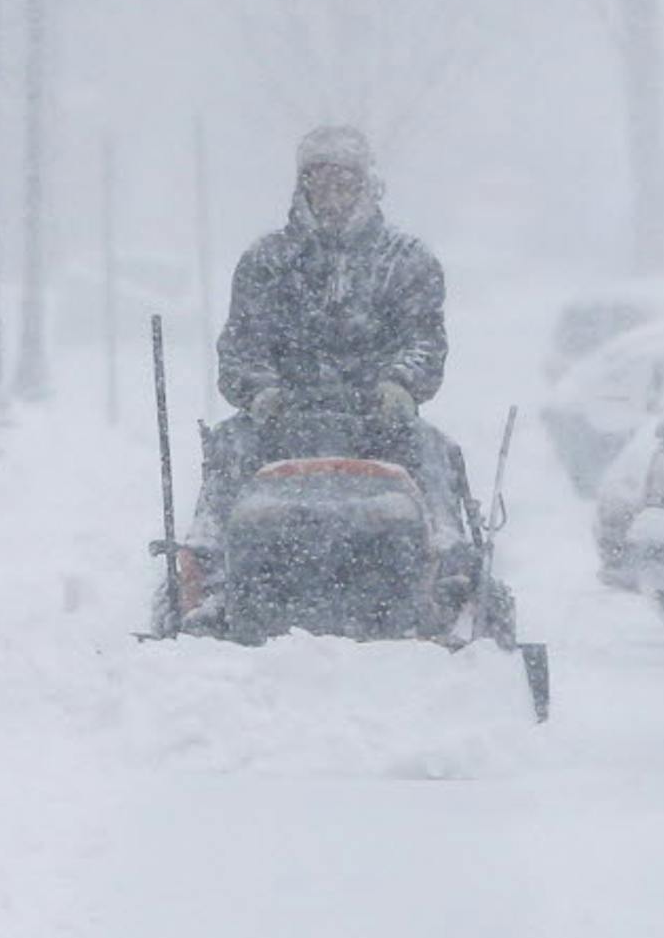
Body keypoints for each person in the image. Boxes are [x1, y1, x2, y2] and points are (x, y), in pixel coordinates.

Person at [180, 125, 472, 625]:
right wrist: (262, 392)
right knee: (229, 450)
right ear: (303, 186)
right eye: (321, 180)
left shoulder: (408, 262)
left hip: (378, 422)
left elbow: (425, 340)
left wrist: (399, 383)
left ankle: (447, 575)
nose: (333, 193)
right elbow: (240, 346)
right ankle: (208, 582)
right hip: (283, 421)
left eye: (344, 181)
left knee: (431, 453)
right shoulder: (266, 262)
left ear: (366, 185)